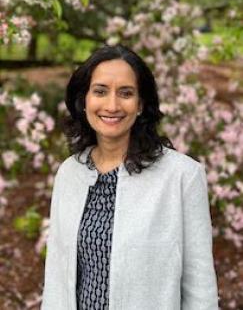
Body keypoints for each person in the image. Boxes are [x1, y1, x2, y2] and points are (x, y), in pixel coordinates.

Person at [40, 44, 219, 310]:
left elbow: (200, 284)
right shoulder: (70, 172)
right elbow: (56, 274)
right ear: (84, 100)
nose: (112, 105)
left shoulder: (182, 176)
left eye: (126, 93)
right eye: (100, 91)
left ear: (141, 104)